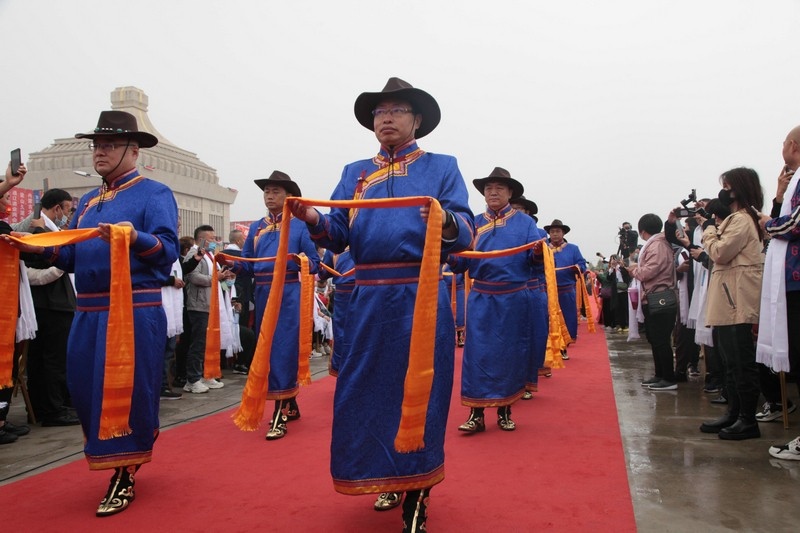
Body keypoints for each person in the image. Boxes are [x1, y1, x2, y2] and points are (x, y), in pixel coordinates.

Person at [289, 77, 474, 532]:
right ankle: (385, 473)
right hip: (367, 298)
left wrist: (446, 220)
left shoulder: (442, 167)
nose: (386, 118)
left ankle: (418, 494)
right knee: (366, 393)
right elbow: (337, 235)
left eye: (396, 110)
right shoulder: (354, 172)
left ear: (417, 120)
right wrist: (312, 217)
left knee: (421, 391)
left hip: (421, 295)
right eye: (379, 112)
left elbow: (466, 233)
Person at [5, 110, 179, 515]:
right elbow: (71, 256)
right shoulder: (87, 201)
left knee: (128, 391)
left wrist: (133, 237)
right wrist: (33, 247)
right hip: (89, 310)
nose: (100, 152)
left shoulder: (154, 194)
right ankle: (114, 456)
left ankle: (124, 469)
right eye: (97, 145)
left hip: (133, 307)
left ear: (133, 151)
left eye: (110, 145)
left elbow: (167, 250)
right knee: (86, 390)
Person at [454, 167, 540, 433]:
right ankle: (476, 413)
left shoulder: (525, 224)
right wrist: (444, 249)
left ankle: (505, 410)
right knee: (476, 354)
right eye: (488, 188)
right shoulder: (473, 223)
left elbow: (535, 261)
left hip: (514, 299)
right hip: (481, 297)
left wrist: (539, 253)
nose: (493, 192)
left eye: (499, 188)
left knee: (509, 353)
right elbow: (460, 262)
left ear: (510, 193)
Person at [238, 171, 319, 440]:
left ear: (289, 196)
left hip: (288, 293)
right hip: (262, 293)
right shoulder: (256, 227)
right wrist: (229, 263)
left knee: (283, 349)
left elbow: (315, 263)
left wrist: (299, 261)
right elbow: (247, 263)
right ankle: (289, 402)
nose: (269, 196)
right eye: (266, 191)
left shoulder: (300, 225)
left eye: (275, 191)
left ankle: (279, 412)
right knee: (267, 349)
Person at [698, 168, 764, 440]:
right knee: (730, 361)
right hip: (729, 297)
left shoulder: (742, 219)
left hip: (736, 298)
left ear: (738, 189)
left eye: (726, 187)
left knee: (740, 361)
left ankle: (748, 419)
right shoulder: (737, 219)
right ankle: (734, 413)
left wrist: (708, 230)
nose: (723, 192)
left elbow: (719, 252)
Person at [758, 127, 800, 458]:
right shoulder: (793, 182)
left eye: (784, 144)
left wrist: (766, 223)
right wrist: (779, 195)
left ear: (792, 145)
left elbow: (792, 224)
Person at [23, 188, 82, 423]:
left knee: (46, 359)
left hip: (53, 303)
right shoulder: (40, 232)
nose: (67, 216)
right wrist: (66, 260)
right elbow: (39, 268)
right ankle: (51, 410)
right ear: (57, 208)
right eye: (66, 210)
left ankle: (46, 407)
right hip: (50, 304)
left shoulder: (50, 231)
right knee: (51, 360)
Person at [0, 162, 33, 445]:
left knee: (8, 365)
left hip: (9, 308)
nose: (8, 200)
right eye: (5, 196)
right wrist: (7, 184)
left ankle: (1, 418)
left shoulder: (6, 228)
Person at [628, 213, 678, 391]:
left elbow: (649, 272)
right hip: (652, 296)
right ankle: (659, 374)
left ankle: (668, 378)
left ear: (642, 231)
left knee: (661, 339)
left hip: (660, 296)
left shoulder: (657, 245)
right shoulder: (657, 243)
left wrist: (634, 270)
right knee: (654, 338)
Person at [183, 225, 232, 393]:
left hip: (211, 304)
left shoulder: (210, 256)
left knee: (208, 343)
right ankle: (192, 379)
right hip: (199, 304)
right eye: (211, 239)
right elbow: (193, 277)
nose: (214, 241)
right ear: (201, 239)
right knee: (198, 342)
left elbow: (213, 278)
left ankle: (206, 374)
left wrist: (222, 277)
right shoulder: (194, 253)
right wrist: (215, 278)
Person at [544, 219, 587, 360]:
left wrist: (578, 268)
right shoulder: (544, 247)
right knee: (549, 319)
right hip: (547, 290)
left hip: (567, 290)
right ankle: (550, 348)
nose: (555, 234)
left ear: (563, 233)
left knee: (567, 319)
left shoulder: (573, 249)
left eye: (558, 231)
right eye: (552, 232)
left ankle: (563, 347)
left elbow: (582, 264)